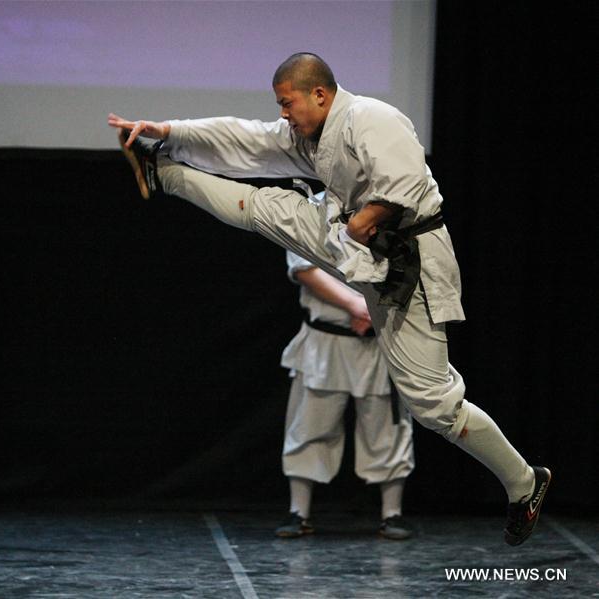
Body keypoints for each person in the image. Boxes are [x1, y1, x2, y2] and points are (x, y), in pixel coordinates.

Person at [108, 52, 550, 546]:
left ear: (319, 94)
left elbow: (407, 175)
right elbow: (245, 139)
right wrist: (167, 131)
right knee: (261, 208)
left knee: (432, 406)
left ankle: (524, 483)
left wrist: (368, 216)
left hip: (410, 262)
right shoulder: (312, 137)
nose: (283, 113)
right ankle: (161, 168)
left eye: (287, 102)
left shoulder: (371, 118)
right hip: (355, 244)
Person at [277, 248, 414, 541]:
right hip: (326, 338)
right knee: (310, 424)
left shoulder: (391, 212)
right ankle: (298, 512)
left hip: (380, 337)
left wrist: (372, 309)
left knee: (387, 427)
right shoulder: (311, 211)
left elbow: (407, 267)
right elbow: (303, 268)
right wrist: (353, 305)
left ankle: (392, 513)